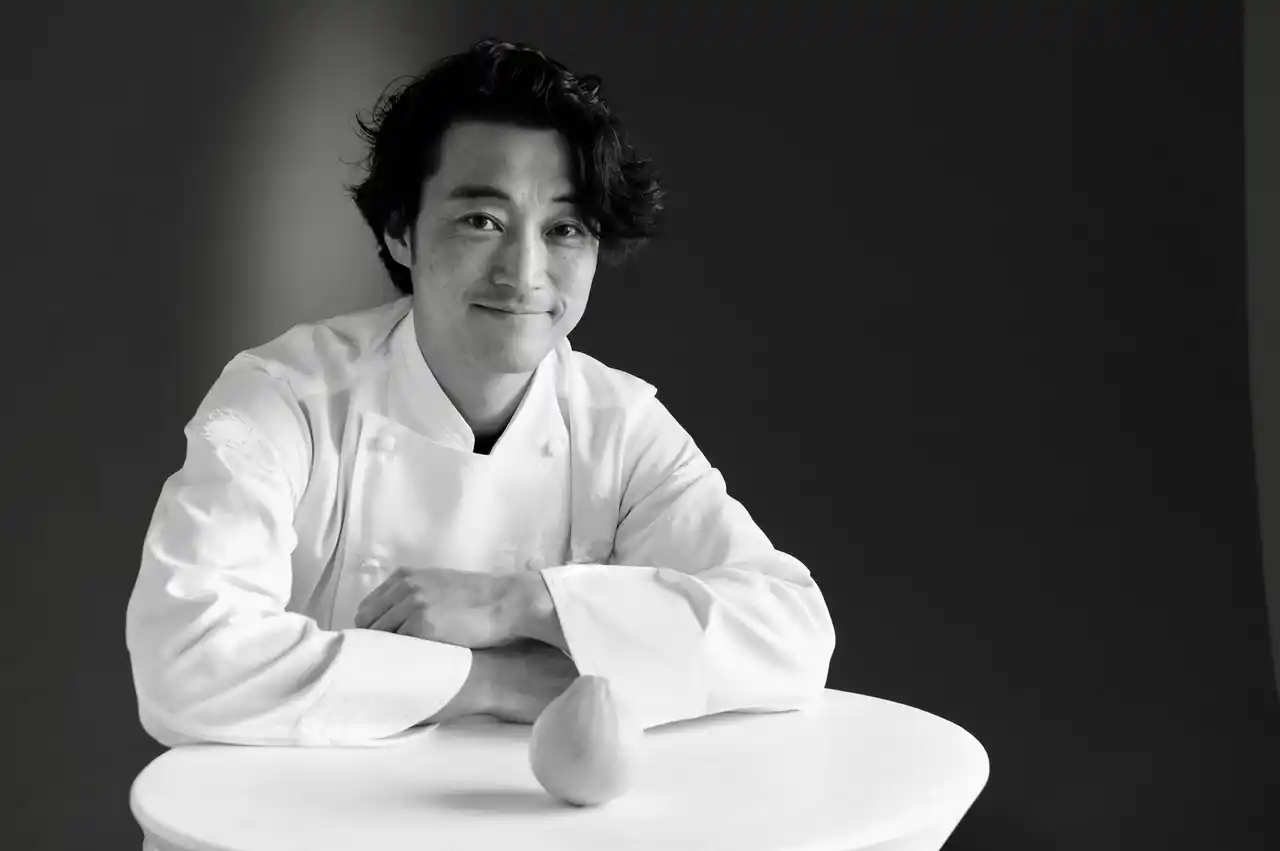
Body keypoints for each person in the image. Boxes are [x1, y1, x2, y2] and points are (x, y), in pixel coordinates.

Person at [125, 38, 836, 747]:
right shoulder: (283, 399)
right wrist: (496, 682)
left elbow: (792, 633)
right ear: (400, 230)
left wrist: (522, 602)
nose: (524, 273)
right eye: (481, 221)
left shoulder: (618, 425)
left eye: (564, 228)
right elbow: (184, 661)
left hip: (524, 800)